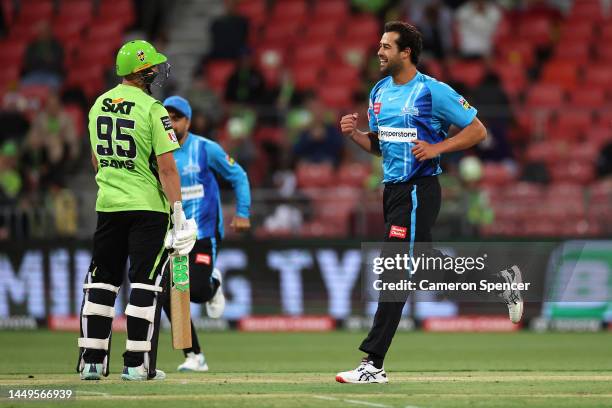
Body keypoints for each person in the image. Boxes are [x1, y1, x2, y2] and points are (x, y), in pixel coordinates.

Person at [336, 21, 523, 384]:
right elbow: (382, 145)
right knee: (424, 267)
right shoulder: (377, 92)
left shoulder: (432, 91)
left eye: (387, 46)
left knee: (394, 270)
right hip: (392, 192)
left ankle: (373, 364)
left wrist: (437, 147)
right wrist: (356, 136)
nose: (379, 52)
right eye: (379, 45)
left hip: (419, 189)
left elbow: (477, 130)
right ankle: (500, 283)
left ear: (406, 52)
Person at [77, 40, 197, 382]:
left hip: (109, 206)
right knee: (144, 285)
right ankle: (135, 365)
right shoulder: (153, 109)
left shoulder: (98, 105)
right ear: (141, 71)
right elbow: (168, 169)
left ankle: (92, 362)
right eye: (152, 67)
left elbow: (97, 160)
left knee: (102, 282)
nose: (157, 71)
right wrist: (179, 213)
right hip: (147, 209)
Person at [161, 96, 251, 372]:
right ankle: (194, 356)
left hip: (203, 232)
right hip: (174, 236)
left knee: (197, 291)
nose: (171, 124)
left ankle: (213, 283)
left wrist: (243, 212)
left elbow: (238, 175)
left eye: (177, 118)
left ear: (188, 121)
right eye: (167, 119)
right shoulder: (157, 153)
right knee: (169, 295)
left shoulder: (204, 148)